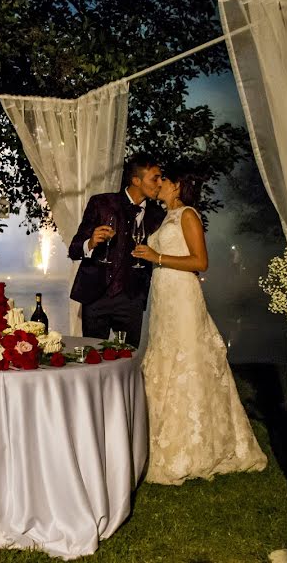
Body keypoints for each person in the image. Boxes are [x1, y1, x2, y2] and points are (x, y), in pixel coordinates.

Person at [131, 166, 267, 485]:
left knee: (187, 359)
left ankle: (193, 447)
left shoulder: (188, 215)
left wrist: (157, 257)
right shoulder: (165, 216)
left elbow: (200, 262)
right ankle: (157, 441)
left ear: (177, 186)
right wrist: (149, 257)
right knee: (162, 359)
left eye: (164, 179)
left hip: (182, 296)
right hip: (163, 296)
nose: (159, 184)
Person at [69, 152, 166, 347]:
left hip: (132, 297)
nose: (160, 183)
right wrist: (90, 242)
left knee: (127, 359)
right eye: (155, 178)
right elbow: (74, 249)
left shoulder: (158, 215)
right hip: (95, 295)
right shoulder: (102, 203)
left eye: (161, 178)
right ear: (136, 180)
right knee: (93, 356)